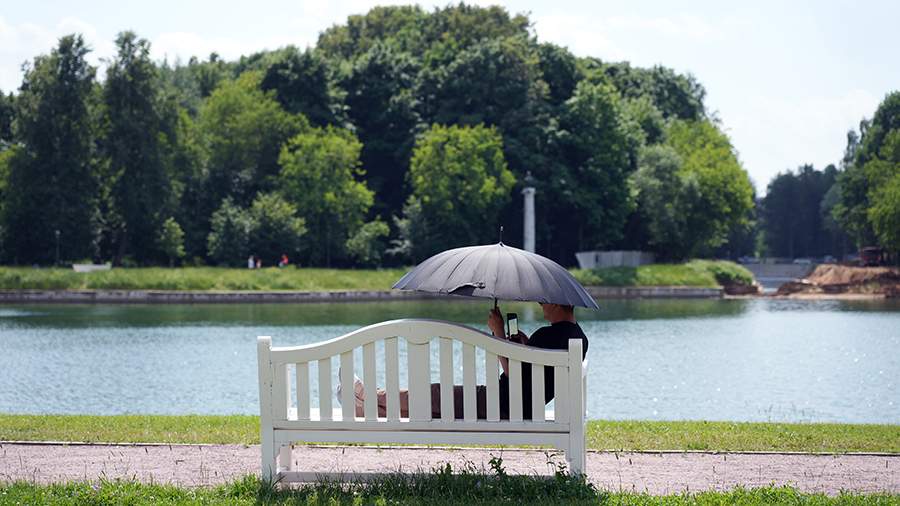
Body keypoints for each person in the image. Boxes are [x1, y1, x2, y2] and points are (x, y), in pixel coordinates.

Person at [339, 302, 588, 420]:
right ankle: (363, 408)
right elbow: (535, 375)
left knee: (434, 395)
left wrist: (499, 332)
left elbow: (515, 373)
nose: (541, 303)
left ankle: (368, 395)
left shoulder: (547, 334)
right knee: (435, 405)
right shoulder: (579, 338)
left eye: (544, 300)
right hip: (523, 406)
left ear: (556, 303)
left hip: (503, 405)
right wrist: (524, 345)